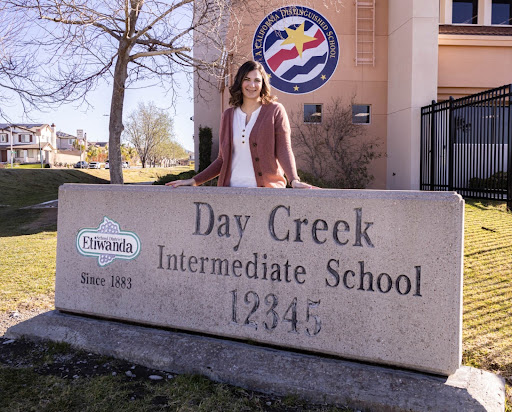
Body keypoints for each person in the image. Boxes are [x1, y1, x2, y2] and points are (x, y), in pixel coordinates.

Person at [166, 60, 313, 189]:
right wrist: (194, 180)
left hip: (267, 192)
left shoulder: (275, 110)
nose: (252, 85)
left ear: (263, 84)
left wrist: (294, 180)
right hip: (231, 192)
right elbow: (222, 160)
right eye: (247, 79)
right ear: (240, 82)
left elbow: (283, 149)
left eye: (257, 80)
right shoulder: (228, 116)